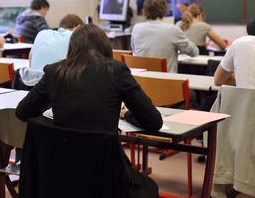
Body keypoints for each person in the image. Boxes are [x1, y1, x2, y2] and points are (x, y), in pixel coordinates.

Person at [16, 24, 162, 197]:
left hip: (59, 177)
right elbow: (154, 122)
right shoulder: (116, 71)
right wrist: (126, 114)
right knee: (149, 187)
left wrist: (56, 100)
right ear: (105, 46)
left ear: (72, 47)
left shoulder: (55, 71)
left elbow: (23, 112)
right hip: (107, 178)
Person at [131, 0, 199, 73]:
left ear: (145, 10)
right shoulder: (173, 30)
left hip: (141, 81)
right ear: (165, 10)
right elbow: (194, 52)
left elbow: (134, 51)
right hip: (166, 82)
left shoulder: (136, 28)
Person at [18, 13, 83, 87]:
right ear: (78, 27)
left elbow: (30, 59)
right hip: (55, 87)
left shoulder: (42, 33)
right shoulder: (74, 37)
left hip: (31, 86)